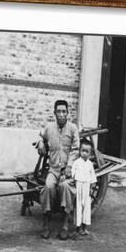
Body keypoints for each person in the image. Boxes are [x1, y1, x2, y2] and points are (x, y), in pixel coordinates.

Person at [36, 100, 79, 240]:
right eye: (58, 111)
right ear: (54, 113)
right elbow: (41, 135)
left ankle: (65, 225)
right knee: (48, 187)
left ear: (67, 113)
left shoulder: (73, 129)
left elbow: (76, 149)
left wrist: (70, 166)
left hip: (68, 170)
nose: (61, 114)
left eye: (64, 112)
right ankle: (46, 224)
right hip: (53, 170)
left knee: (66, 186)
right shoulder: (49, 128)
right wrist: (41, 142)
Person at [71, 139, 98, 236]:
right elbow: (73, 173)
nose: (84, 153)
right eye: (83, 151)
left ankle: (85, 227)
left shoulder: (90, 164)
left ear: (90, 153)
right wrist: (74, 179)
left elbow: (93, 176)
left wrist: (92, 185)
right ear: (79, 151)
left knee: (86, 207)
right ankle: (77, 228)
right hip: (79, 186)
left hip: (86, 187)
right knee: (78, 206)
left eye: (87, 151)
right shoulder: (76, 162)